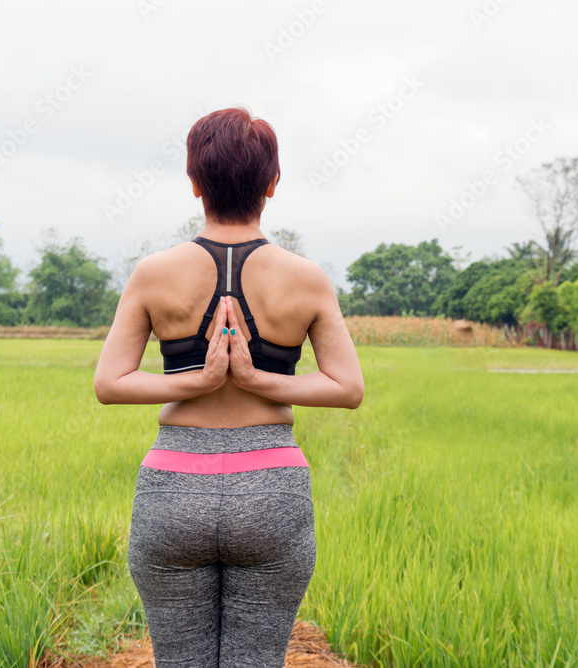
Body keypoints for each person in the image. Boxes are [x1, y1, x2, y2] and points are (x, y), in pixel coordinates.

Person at [93, 107, 364, 668]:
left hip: (172, 491)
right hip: (272, 491)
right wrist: (259, 379)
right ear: (273, 183)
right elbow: (348, 387)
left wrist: (197, 380)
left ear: (194, 182)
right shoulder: (306, 278)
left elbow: (109, 382)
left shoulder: (153, 273)